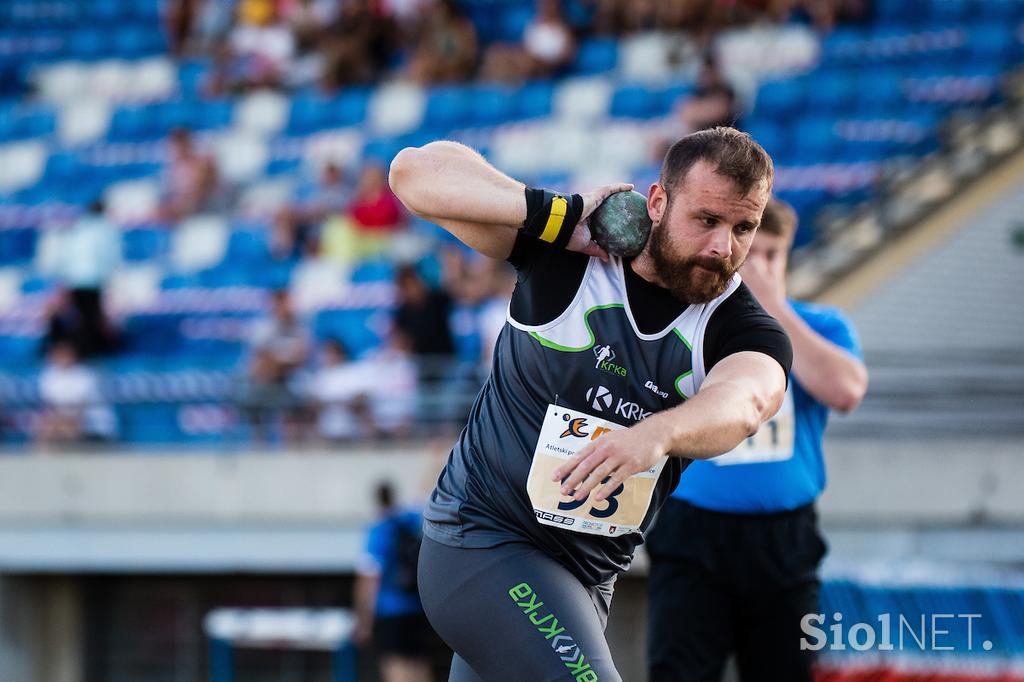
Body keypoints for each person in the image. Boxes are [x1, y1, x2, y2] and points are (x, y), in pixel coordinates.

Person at [388, 126, 793, 681]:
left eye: (742, 228)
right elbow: (413, 174)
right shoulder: (570, 258)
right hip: (481, 540)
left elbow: (746, 400)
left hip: (583, 581)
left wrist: (657, 434)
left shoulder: (740, 327)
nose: (723, 247)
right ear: (657, 202)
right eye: (706, 220)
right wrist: (560, 215)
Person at [645, 199, 868, 682]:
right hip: (692, 533)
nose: (760, 268)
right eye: (752, 255)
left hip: (784, 539)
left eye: (773, 256)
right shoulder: (695, 324)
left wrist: (774, 311)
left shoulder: (820, 326)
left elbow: (845, 390)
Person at [354, 482, 435, 682]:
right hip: (416, 609)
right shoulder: (408, 520)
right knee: (418, 664)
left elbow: (369, 578)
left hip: (389, 612)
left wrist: (363, 621)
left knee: (395, 666)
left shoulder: (378, 530)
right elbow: (424, 492)